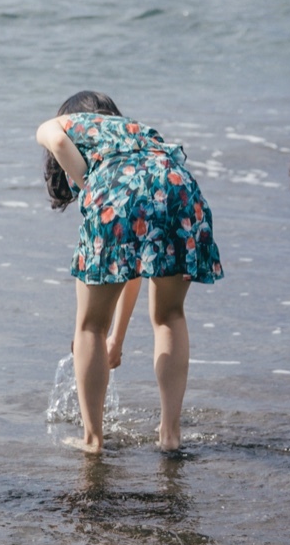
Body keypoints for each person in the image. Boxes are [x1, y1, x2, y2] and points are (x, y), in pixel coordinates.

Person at [35, 92, 223, 453]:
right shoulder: (134, 132)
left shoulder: (67, 125)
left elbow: (56, 138)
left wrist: (92, 187)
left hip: (117, 192)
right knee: (169, 315)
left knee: (90, 325)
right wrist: (116, 340)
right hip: (179, 190)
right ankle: (170, 435)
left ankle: (93, 440)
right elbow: (134, 266)